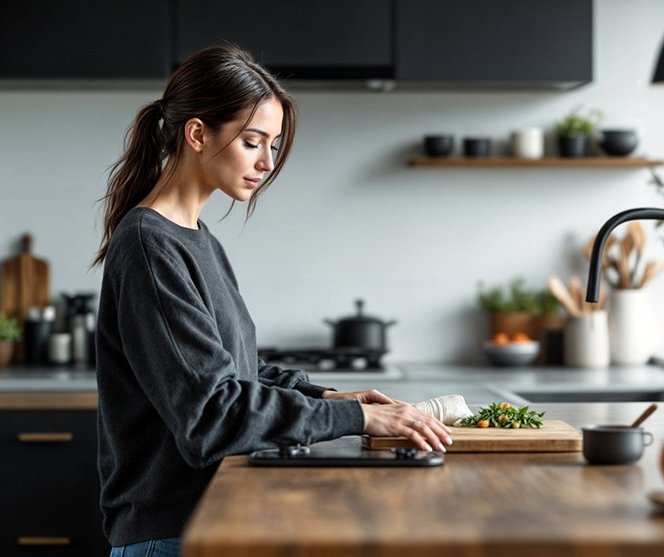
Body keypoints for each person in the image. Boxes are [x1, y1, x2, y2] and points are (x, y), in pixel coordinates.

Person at [92, 45, 453, 556]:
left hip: (208, 519)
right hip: (171, 535)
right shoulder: (151, 246)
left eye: (273, 144)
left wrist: (328, 397)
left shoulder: (195, 238)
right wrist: (360, 421)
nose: (266, 162)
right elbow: (210, 417)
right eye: (253, 142)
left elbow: (235, 372)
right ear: (197, 134)